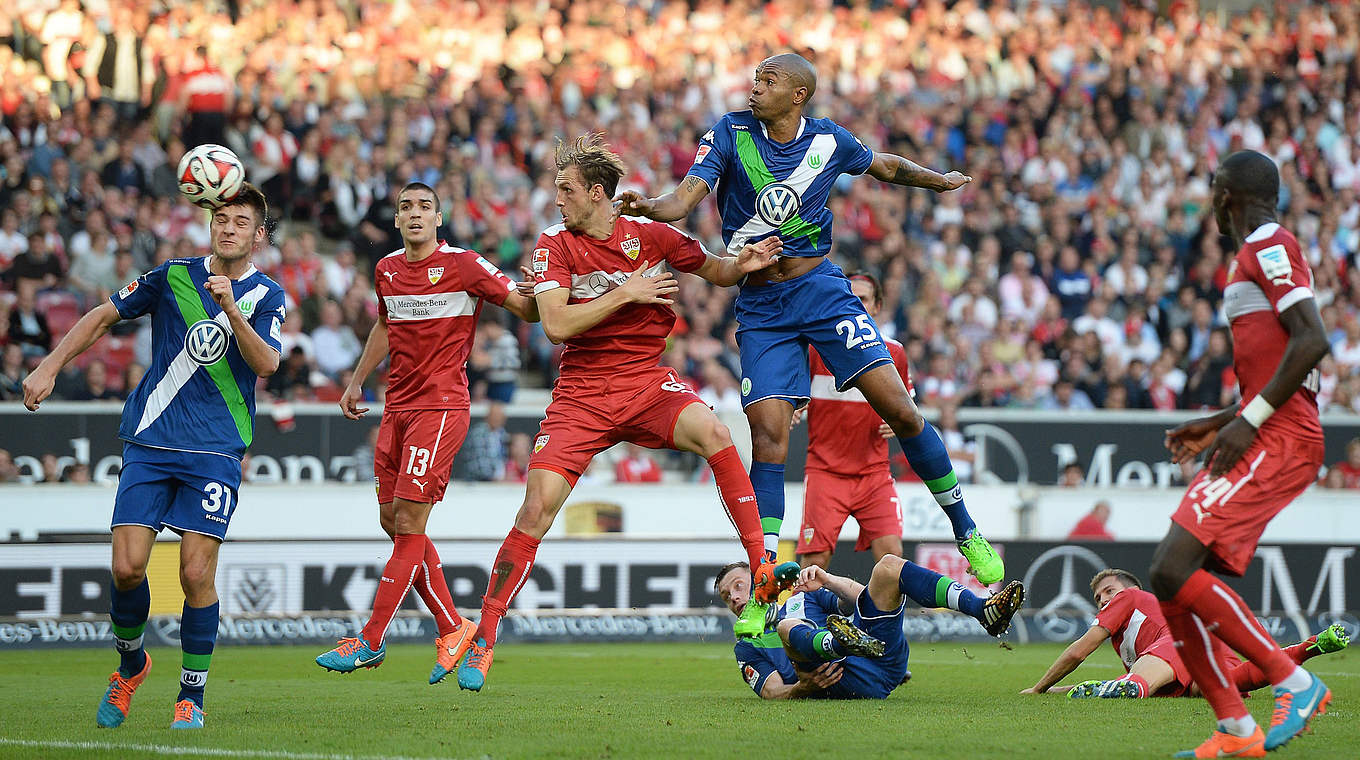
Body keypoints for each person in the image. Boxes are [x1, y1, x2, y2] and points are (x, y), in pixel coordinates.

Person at [617, 53, 1001, 586]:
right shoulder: (729, 132)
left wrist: (938, 182)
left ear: (798, 94)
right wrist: (647, 207)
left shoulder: (829, 140)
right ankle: (766, 566)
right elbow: (683, 200)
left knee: (903, 412)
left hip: (821, 293)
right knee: (769, 437)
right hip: (760, 303)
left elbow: (886, 165)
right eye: (755, 80)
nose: (755, 88)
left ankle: (965, 529)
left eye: (767, 82)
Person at [454, 134, 781, 692]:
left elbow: (713, 270)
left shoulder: (652, 236)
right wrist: (626, 293)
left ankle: (762, 568)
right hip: (581, 395)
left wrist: (743, 262)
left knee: (716, 432)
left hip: (646, 383)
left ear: (599, 193)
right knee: (535, 510)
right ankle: (485, 637)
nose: (557, 200)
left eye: (567, 190)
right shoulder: (554, 244)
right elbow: (556, 325)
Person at [23, 183, 284, 730]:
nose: (228, 226)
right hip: (151, 439)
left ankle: (192, 694)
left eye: (240, 220)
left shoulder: (268, 295)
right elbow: (101, 316)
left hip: (215, 449)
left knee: (194, 573)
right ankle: (131, 666)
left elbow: (266, 364)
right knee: (125, 568)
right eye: (221, 217)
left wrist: (231, 310)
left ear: (259, 235)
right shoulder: (171, 276)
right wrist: (49, 365)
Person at [313, 182, 538, 684]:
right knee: (394, 523)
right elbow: (385, 326)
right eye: (406, 208)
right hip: (396, 409)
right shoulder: (387, 270)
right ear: (396, 220)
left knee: (410, 524)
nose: (414, 215)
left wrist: (544, 287)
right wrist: (355, 381)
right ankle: (453, 626)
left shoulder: (464, 265)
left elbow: (525, 309)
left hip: (440, 409)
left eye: (424, 208)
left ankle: (369, 640)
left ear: (439, 218)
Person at [1149, 151, 1334, 757]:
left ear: (1226, 195)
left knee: (1172, 569)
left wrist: (1247, 420)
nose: (1209, 199)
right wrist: (1223, 420)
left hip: (1281, 437)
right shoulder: (1257, 250)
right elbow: (1281, 364)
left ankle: (1294, 680)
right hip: (1264, 427)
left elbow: (1313, 340)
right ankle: (1236, 729)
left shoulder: (1269, 244)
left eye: (1210, 189)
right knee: (1174, 581)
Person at [714, 556, 1024, 699]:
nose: (735, 597)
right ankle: (840, 645)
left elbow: (862, 599)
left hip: (882, 659)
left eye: (739, 586)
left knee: (888, 567)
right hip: (843, 679)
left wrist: (829, 580)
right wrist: (801, 688)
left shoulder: (801, 596)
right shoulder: (747, 644)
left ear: (760, 579)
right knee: (786, 629)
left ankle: (982, 609)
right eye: (727, 597)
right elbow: (771, 691)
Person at [1023, 569, 1348, 699]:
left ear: (1132, 589)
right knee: (1223, 684)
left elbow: (1080, 650)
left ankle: (1132, 688)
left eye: (1108, 591)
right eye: (1098, 598)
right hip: (1208, 644)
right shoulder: (1138, 633)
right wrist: (1057, 693)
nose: (1104, 600)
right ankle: (1310, 647)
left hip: (1180, 642)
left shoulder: (1129, 599)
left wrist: (1039, 688)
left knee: (1136, 686)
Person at [791, 272, 911, 568]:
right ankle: (810, 615)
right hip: (825, 472)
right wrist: (791, 406)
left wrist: (898, 424)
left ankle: (882, 617)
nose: (856, 303)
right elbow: (793, 391)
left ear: (877, 306)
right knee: (814, 563)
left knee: (892, 556)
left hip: (874, 473)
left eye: (864, 298)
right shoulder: (815, 348)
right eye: (850, 297)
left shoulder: (894, 352)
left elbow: (908, 409)